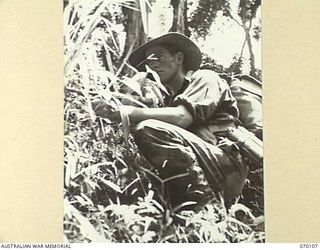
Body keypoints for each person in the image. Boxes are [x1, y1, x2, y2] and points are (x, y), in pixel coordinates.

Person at [93, 32, 248, 208]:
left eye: (159, 56)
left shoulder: (205, 78)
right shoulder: (165, 100)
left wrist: (126, 112)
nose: (153, 63)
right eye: (148, 61)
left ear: (179, 58)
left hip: (226, 168)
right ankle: (186, 205)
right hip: (202, 166)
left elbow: (182, 117)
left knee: (148, 128)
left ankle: (206, 207)